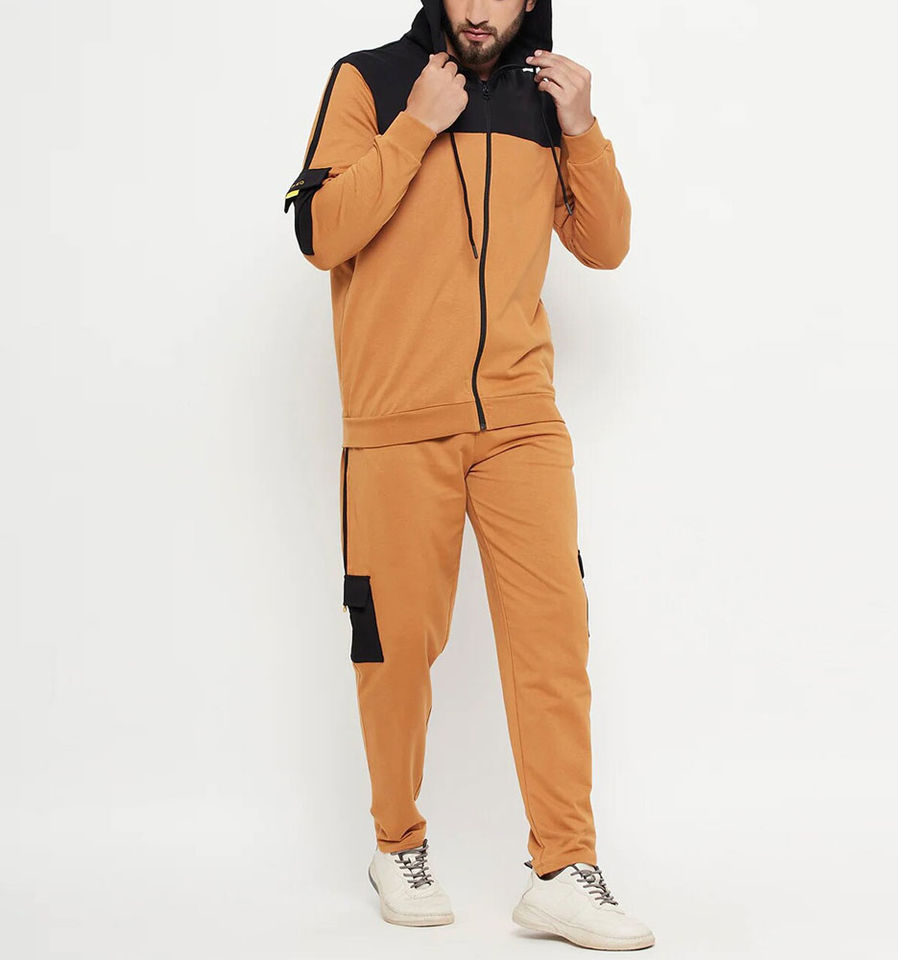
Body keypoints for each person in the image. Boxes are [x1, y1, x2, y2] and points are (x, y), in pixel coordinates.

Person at [284, 0, 654, 950]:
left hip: (521, 422)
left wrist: (583, 130)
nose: (480, 11)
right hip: (398, 424)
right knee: (396, 649)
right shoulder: (371, 79)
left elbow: (606, 245)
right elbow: (321, 232)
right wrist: (416, 127)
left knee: (552, 644)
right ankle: (396, 845)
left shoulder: (545, 99)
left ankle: (563, 869)